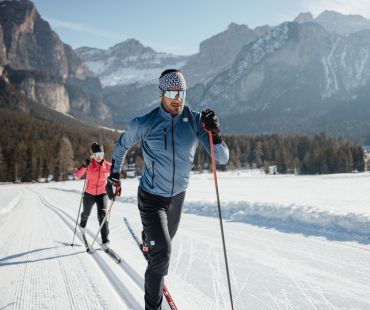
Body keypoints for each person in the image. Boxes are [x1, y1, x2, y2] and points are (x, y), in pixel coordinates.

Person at [106, 69, 229, 310]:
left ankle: (147, 239)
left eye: (182, 92)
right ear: (161, 93)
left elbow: (222, 158)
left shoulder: (194, 121)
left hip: (177, 198)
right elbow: (121, 146)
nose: (178, 98)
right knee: (162, 254)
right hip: (151, 197)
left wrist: (215, 134)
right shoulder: (146, 123)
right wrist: (114, 177)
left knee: (162, 245)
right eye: (172, 92)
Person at [75, 142, 112, 250]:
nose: (99, 157)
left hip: (102, 194)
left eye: (101, 154)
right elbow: (77, 175)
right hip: (89, 194)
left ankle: (105, 241)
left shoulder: (107, 165)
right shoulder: (89, 164)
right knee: (86, 213)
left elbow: (116, 174)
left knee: (103, 216)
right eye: (96, 154)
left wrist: (116, 184)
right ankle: (82, 225)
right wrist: (83, 166)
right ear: (93, 155)